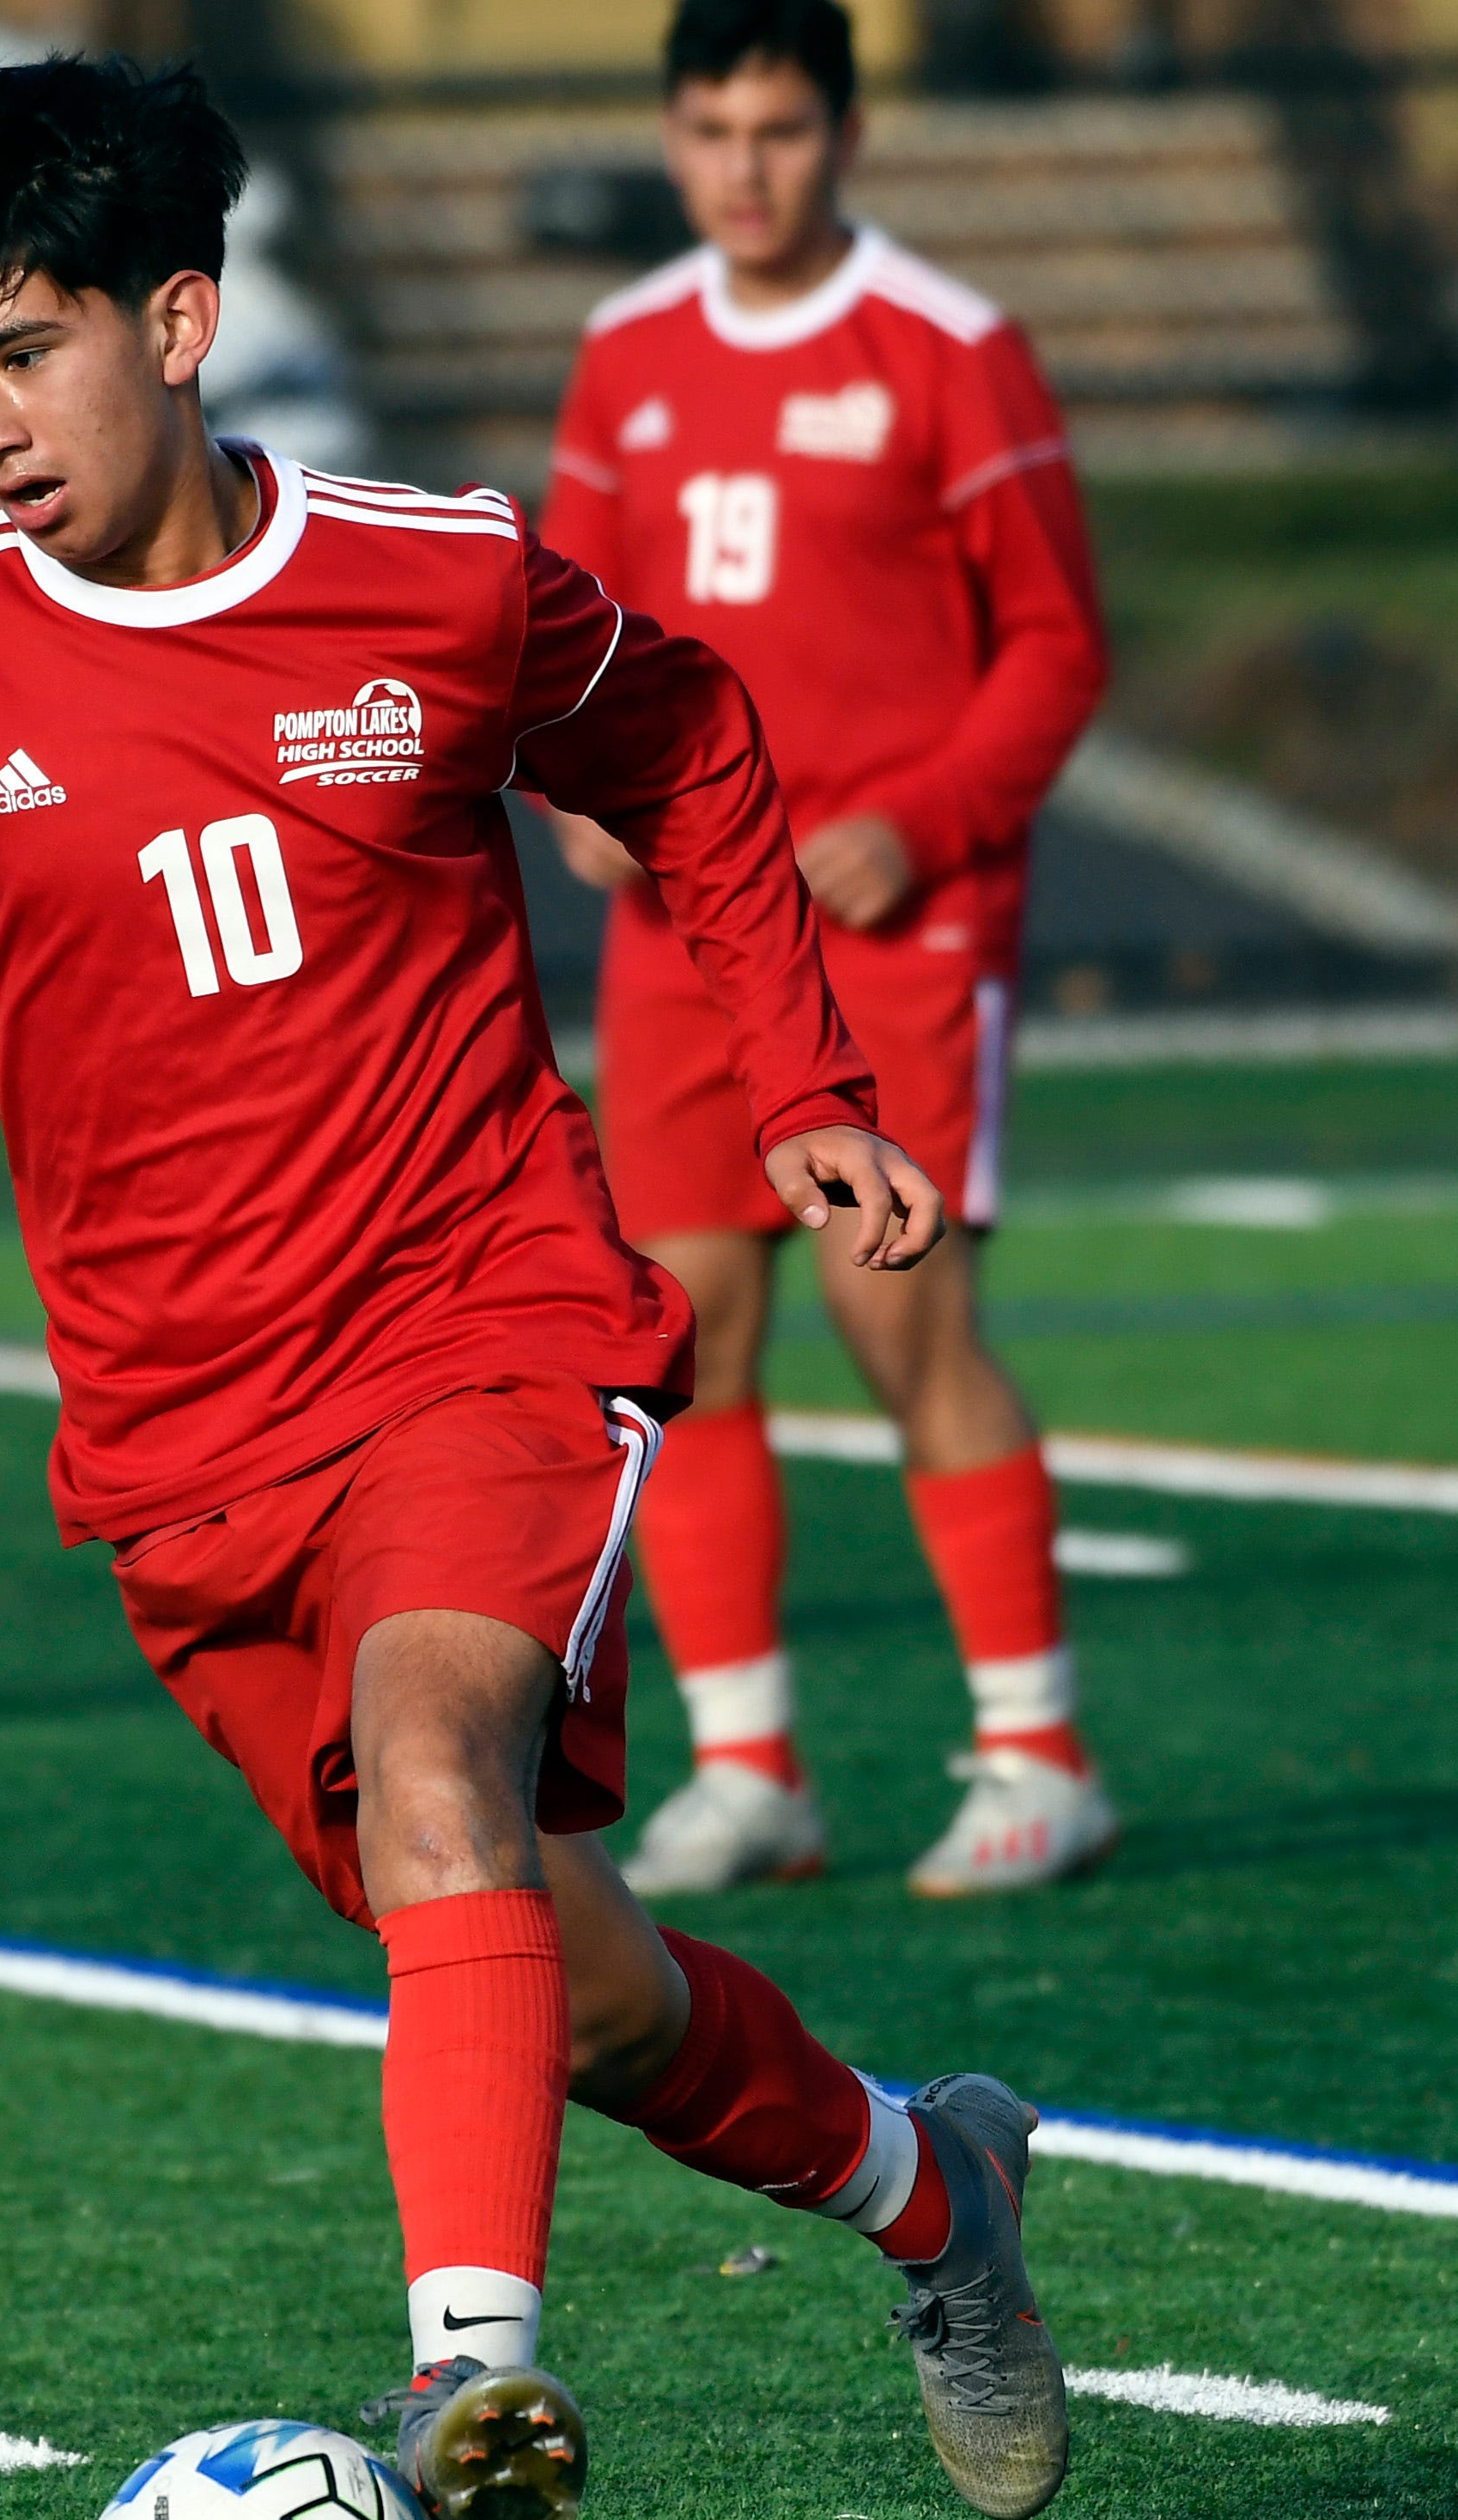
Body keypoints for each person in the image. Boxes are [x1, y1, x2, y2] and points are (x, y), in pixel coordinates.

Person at [0, 54, 1066, 2520]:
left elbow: (699, 749)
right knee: (564, 1977)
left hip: (486, 1325)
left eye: (26, 350)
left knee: (437, 1758)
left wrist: (811, 1083)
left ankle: (462, 2391)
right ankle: (934, 2184)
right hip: (181, 1453)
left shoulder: (439, 584)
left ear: (179, 324)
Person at [539, 0, 1119, 1899]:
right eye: (707, 127)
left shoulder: (948, 350)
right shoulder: (624, 352)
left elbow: (1053, 648)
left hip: (890, 931)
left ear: (844, 132)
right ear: (668, 133)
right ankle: (750, 1766)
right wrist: (570, 788)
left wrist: (918, 820)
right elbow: (557, 631)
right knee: (675, 1343)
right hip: (680, 934)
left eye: (777, 126)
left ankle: (1035, 1757)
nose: (741, 165)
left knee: (903, 1323)